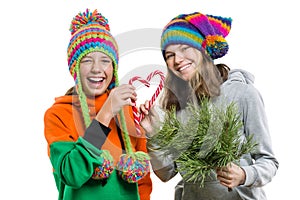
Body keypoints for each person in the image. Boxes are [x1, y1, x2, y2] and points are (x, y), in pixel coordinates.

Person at [139, 12, 279, 200]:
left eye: (184, 49)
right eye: (169, 55)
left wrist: (244, 175)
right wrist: (153, 134)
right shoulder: (177, 108)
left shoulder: (242, 94)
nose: (177, 60)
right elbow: (167, 174)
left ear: (204, 50)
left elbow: (268, 161)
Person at [44, 9, 152, 200]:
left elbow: (142, 179)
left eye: (105, 60)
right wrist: (105, 114)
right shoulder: (58, 114)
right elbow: (71, 173)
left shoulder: (127, 109)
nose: (97, 69)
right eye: (87, 61)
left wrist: (152, 132)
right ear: (75, 68)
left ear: (113, 68)